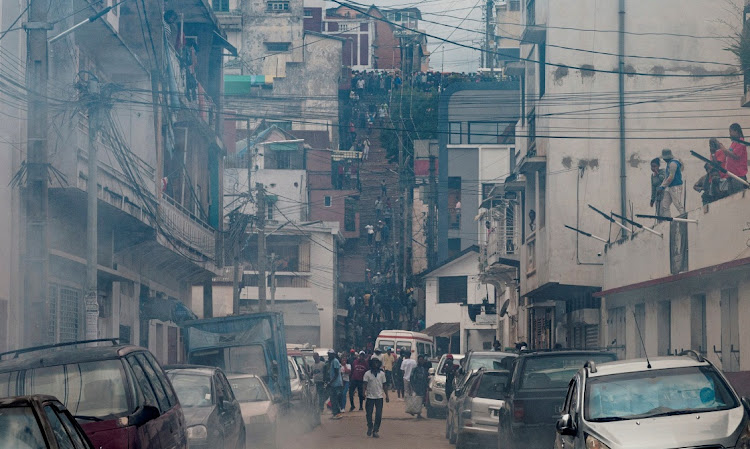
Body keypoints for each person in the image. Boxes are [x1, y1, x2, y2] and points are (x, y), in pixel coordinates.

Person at [718, 123, 748, 194]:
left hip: (738, 175)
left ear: (736, 131)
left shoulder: (741, 142)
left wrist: (724, 149)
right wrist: (721, 148)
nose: (730, 134)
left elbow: (735, 156)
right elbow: (728, 154)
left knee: (737, 198)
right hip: (731, 175)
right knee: (731, 198)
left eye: (731, 131)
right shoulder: (734, 143)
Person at [363, 358, 389, 438]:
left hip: (379, 397)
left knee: (378, 415)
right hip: (370, 397)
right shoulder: (367, 374)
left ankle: (375, 430)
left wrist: (387, 395)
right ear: (371, 364)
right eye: (374, 363)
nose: (375, 364)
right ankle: (370, 426)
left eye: (377, 363)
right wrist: (363, 393)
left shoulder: (382, 374)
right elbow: (364, 384)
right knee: (369, 414)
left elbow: (384, 385)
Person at [658, 149, 685, 217]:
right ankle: (668, 219)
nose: (664, 160)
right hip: (669, 187)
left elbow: (671, 177)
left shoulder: (673, 164)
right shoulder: (669, 163)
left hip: (676, 186)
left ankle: (684, 217)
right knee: (665, 205)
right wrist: (661, 186)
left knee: (677, 204)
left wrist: (662, 187)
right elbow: (666, 177)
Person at [327, 351, 344, 419]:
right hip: (334, 384)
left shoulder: (335, 361)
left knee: (335, 399)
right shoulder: (332, 361)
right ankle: (335, 413)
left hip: (336, 384)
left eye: (329, 354)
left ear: (333, 355)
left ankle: (338, 413)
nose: (328, 356)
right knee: (333, 399)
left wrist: (330, 382)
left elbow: (336, 374)